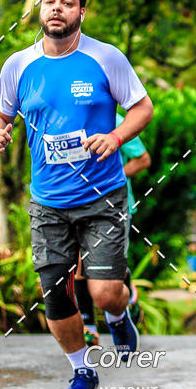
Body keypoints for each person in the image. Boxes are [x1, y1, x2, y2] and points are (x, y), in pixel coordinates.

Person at [0, 0, 153, 389]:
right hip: (48, 202)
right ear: (40, 10)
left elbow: (142, 107)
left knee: (103, 291)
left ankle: (118, 317)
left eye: (66, 2)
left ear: (81, 11)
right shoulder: (18, 65)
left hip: (102, 196)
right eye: (49, 2)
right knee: (55, 295)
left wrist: (115, 138)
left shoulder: (105, 58)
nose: (56, 8)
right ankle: (83, 371)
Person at [75, 111, 151, 345]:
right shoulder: (65, 118)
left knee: (107, 264)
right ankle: (88, 325)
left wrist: (110, 178)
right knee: (79, 261)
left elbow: (142, 160)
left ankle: (126, 291)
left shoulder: (115, 121)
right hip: (77, 202)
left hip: (113, 205)